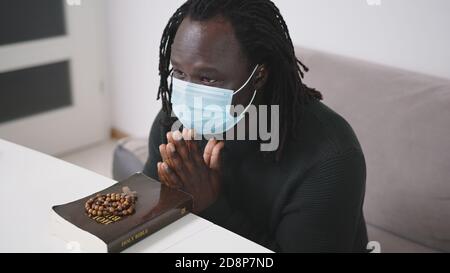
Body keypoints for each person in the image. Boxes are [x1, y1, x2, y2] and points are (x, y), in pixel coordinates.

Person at [143, 0, 368, 252]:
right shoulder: (173, 124)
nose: (189, 96)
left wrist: (212, 205)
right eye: (180, 73)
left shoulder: (331, 157)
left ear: (259, 74)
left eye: (207, 78)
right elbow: (147, 224)